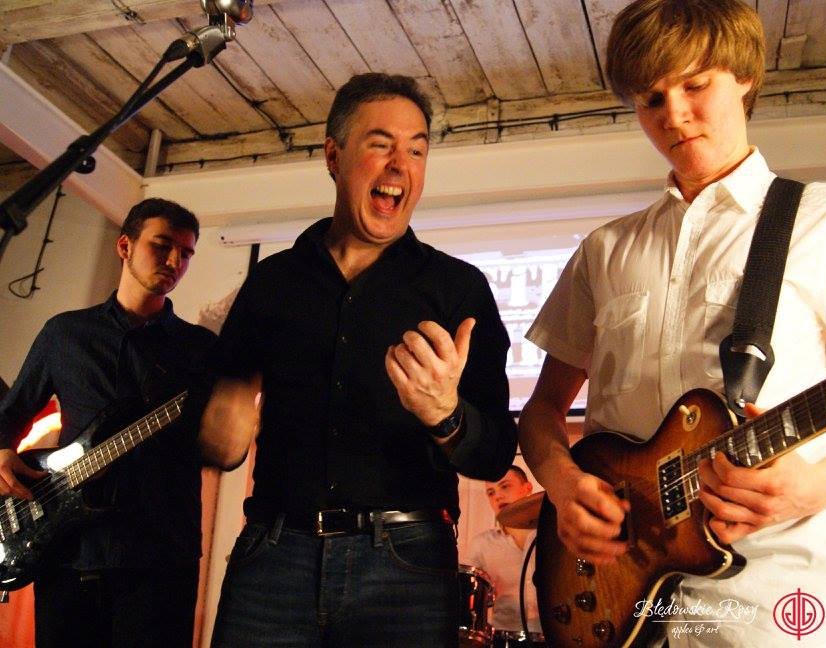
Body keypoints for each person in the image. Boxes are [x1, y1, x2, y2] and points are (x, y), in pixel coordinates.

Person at [518, 1, 826, 646]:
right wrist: (566, 488)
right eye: (651, 99)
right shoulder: (604, 249)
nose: (673, 115)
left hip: (775, 609)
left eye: (695, 85)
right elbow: (542, 411)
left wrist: (809, 488)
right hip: (617, 598)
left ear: (744, 77)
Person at [200, 72, 518, 647]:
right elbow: (222, 441)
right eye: (380, 144)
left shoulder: (458, 289)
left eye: (416, 150)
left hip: (407, 568)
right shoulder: (272, 281)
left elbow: (494, 455)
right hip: (274, 559)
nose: (400, 165)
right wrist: (219, 424)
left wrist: (444, 413)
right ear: (333, 156)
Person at [0, 198, 214, 647]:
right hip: (67, 551)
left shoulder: (202, 350)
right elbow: (11, 414)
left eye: (186, 253)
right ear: (124, 246)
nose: (174, 261)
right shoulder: (65, 334)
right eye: (162, 245)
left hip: (160, 558)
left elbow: (218, 441)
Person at [467, 466, 543, 643]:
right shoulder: (482, 545)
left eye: (505, 486)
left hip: (553, 635)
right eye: (491, 493)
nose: (498, 496)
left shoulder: (552, 539)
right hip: (502, 638)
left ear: (527, 488)